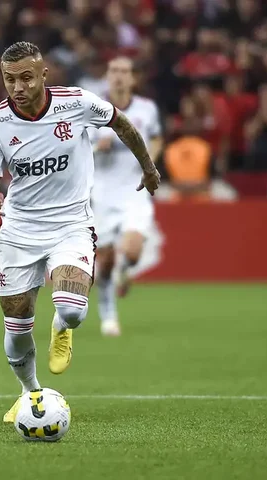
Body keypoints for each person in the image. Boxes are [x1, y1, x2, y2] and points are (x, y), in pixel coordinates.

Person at [0, 42, 160, 424]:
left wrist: (148, 167)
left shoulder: (76, 102)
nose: (18, 87)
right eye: (9, 79)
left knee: (72, 310)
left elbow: (122, 123)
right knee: (17, 322)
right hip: (19, 229)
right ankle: (30, 393)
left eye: (26, 78)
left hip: (71, 223)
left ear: (44, 75)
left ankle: (62, 326)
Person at [91, 56, 163, 337]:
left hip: (135, 191)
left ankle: (125, 271)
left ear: (133, 78)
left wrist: (149, 164)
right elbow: (76, 145)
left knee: (132, 252)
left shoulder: (146, 109)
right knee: (105, 260)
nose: (119, 76)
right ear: (107, 76)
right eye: (113, 70)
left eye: (124, 71)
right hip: (101, 194)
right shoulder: (92, 109)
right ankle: (108, 314)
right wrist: (97, 145)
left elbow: (156, 138)